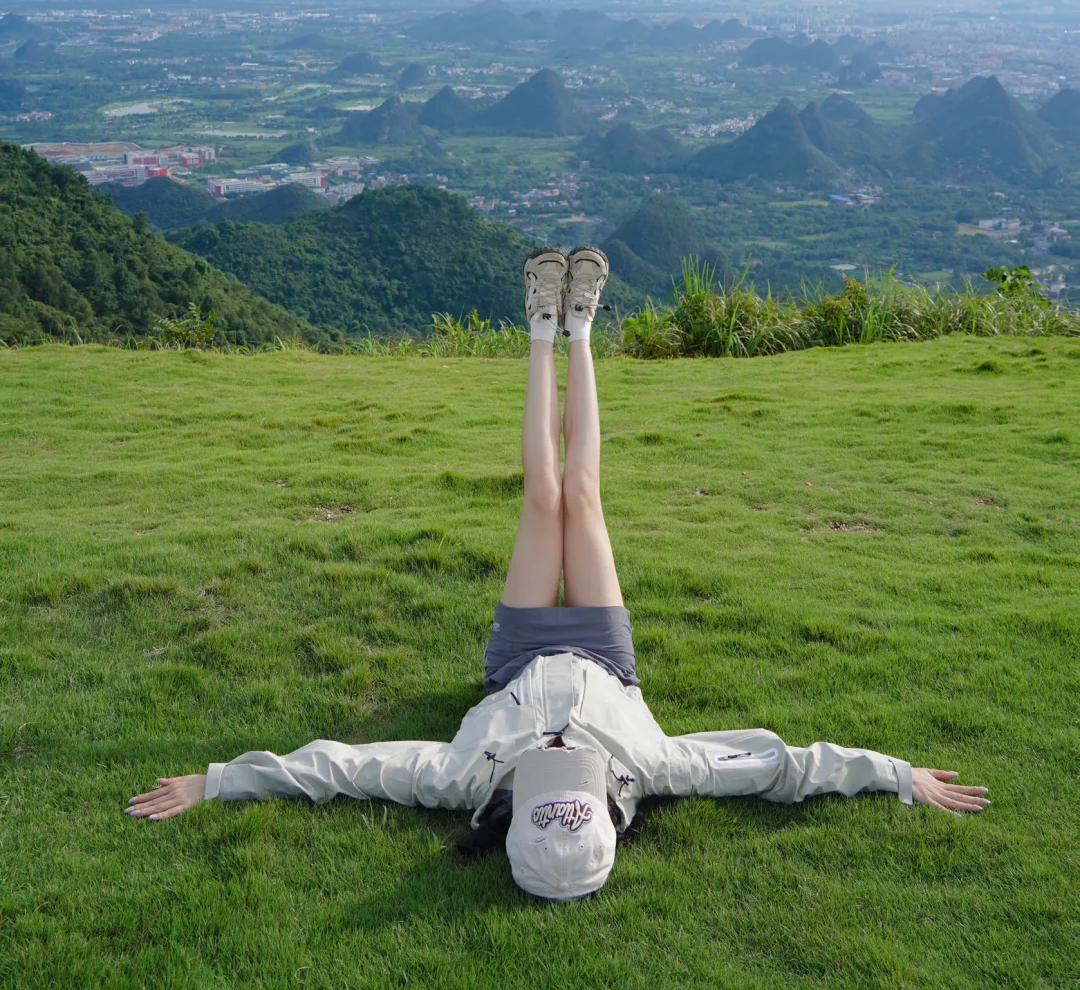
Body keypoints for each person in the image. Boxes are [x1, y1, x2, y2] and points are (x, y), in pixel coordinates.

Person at [127, 248, 990, 899]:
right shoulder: (651, 765)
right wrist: (894, 773)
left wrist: (217, 782)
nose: (561, 758)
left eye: (547, 773)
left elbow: (341, 767)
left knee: (547, 495)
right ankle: (582, 330)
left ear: (510, 810)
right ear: (609, 805)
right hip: (606, 654)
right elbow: (781, 767)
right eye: (574, 773)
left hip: (520, 653)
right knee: (584, 494)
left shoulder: (462, 779)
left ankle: (541, 327)